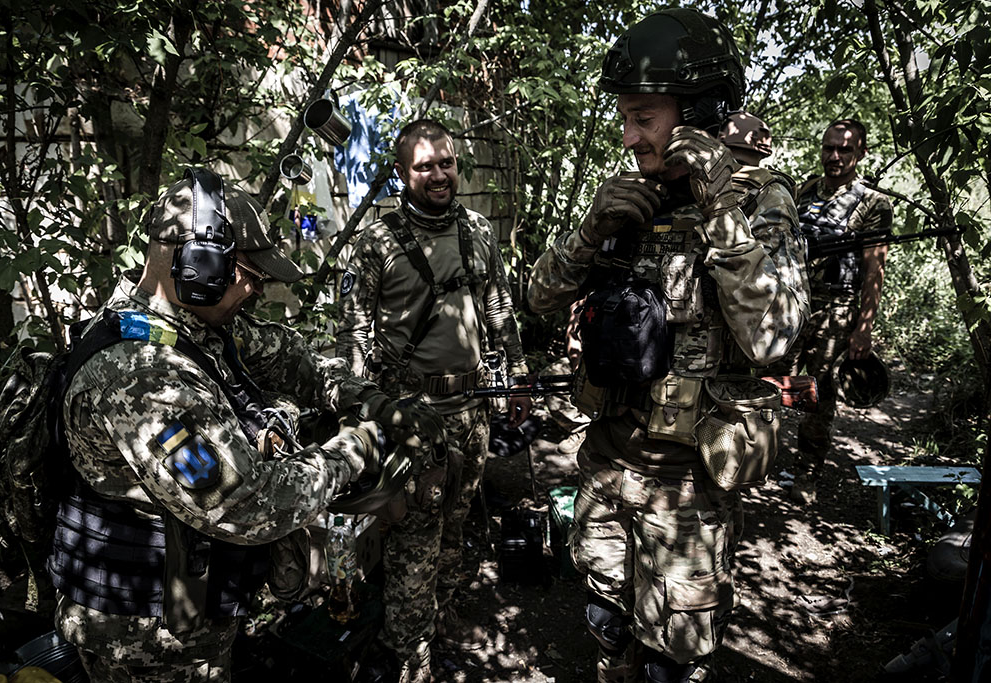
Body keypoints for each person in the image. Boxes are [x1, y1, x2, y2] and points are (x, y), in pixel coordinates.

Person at [50, 168, 445, 683]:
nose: (255, 293)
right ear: (200, 265)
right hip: (148, 640)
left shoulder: (197, 331)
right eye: (251, 278)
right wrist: (356, 449)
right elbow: (250, 504)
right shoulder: (141, 378)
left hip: (195, 612)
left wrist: (370, 400)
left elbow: (293, 359)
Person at [526, 9, 810, 683]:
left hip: (689, 490)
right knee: (606, 624)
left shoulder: (759, 201)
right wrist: (591, 230)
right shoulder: (628, 196)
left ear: (698, 110)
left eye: (643, 116)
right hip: (607, 460)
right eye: (625, 117)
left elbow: (772, 338)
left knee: (671, 663)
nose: (628, 136)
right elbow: (536, 298)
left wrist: (719, 213)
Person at [336, 119, 531, 682]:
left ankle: (436, 620)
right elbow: (351, 337)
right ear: (402, 173)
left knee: (456, 526)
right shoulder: (376, 244)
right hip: (413, 420)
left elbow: (499, 309)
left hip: (472, 412)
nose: (440, 174)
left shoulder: (476, 230)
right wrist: (366, 412)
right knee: (413, 544)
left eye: (446, 163)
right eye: (425, 166)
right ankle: (409, 656)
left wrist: (516, 374)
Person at [781, 118, 893, 503]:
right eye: (829, 147)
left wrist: (864, 327)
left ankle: (806, 474)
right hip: (791, 302)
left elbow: (874, 268)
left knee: (819, 393)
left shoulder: (872, 204)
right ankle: (758, 457)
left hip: (837, 309)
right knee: (774, 380)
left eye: (844, 149)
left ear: (860, 153)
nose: (834, 156)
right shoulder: (804, 190)